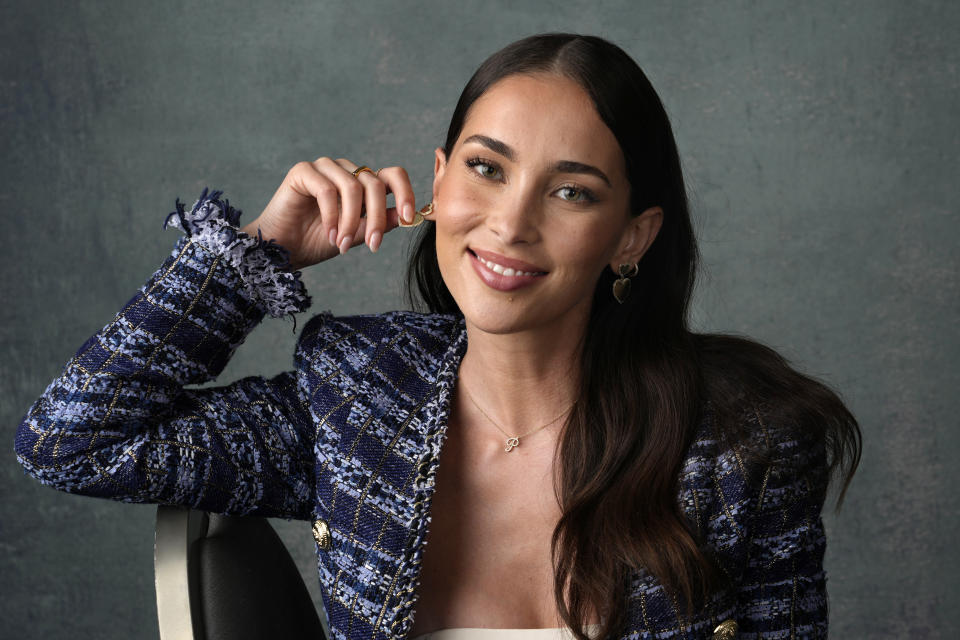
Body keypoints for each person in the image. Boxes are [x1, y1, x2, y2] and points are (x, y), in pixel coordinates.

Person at [14, 33, 861, 640]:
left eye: (571, 193)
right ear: (440, 178)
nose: (510, 224)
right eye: (486, 169)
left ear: (632, 237)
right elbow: (74, 439)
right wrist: (254, 256)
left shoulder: (743, 446)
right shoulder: (355, 397)